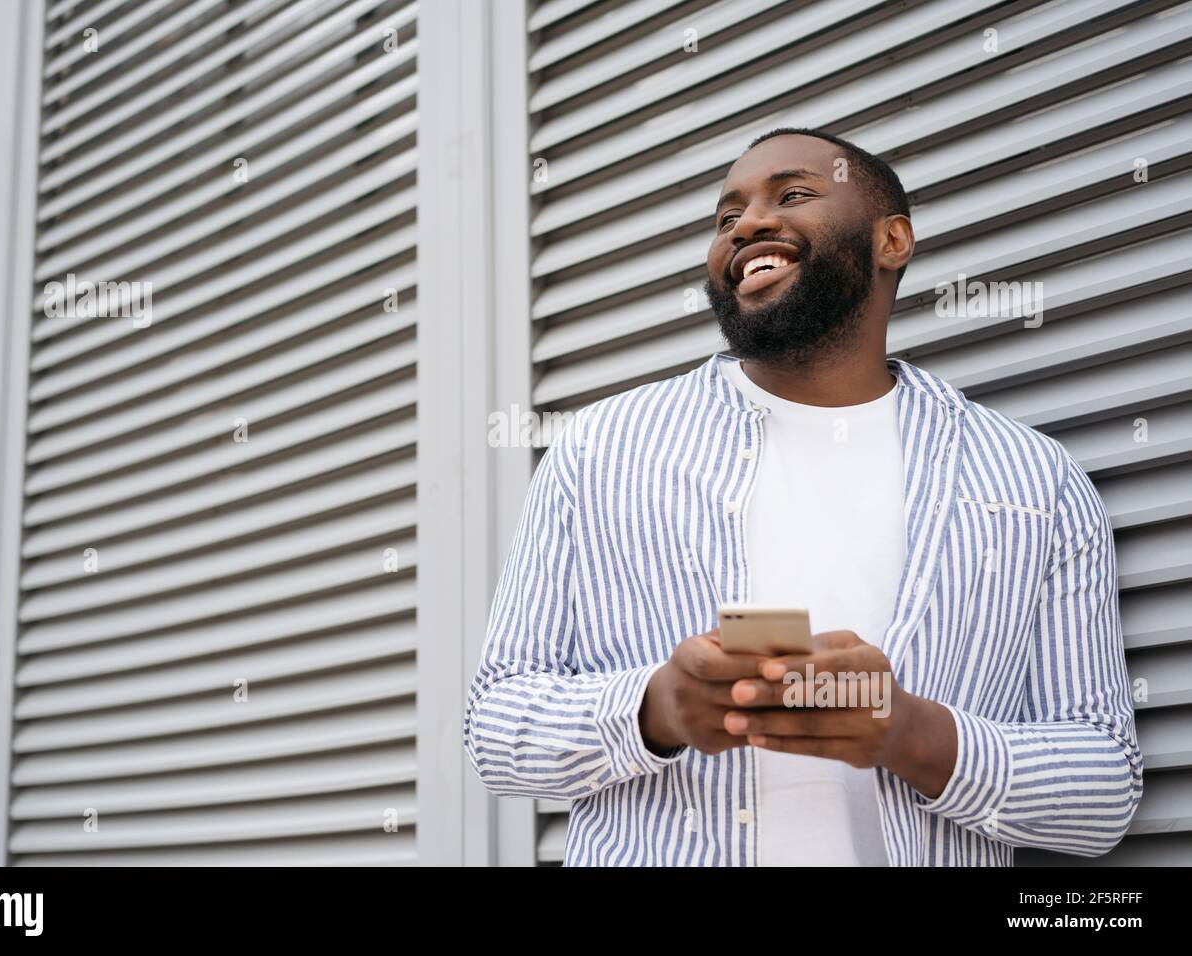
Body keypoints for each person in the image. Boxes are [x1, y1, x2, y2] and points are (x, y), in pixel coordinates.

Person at [463, 128, 1143, 866]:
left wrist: (905, 733)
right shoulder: (600, 450)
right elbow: (496, 730)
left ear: (892, 240)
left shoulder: (1031, 481)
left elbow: (1103, 793)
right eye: (727, 219)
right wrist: (656, 708)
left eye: (792, 195)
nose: (748, 224)